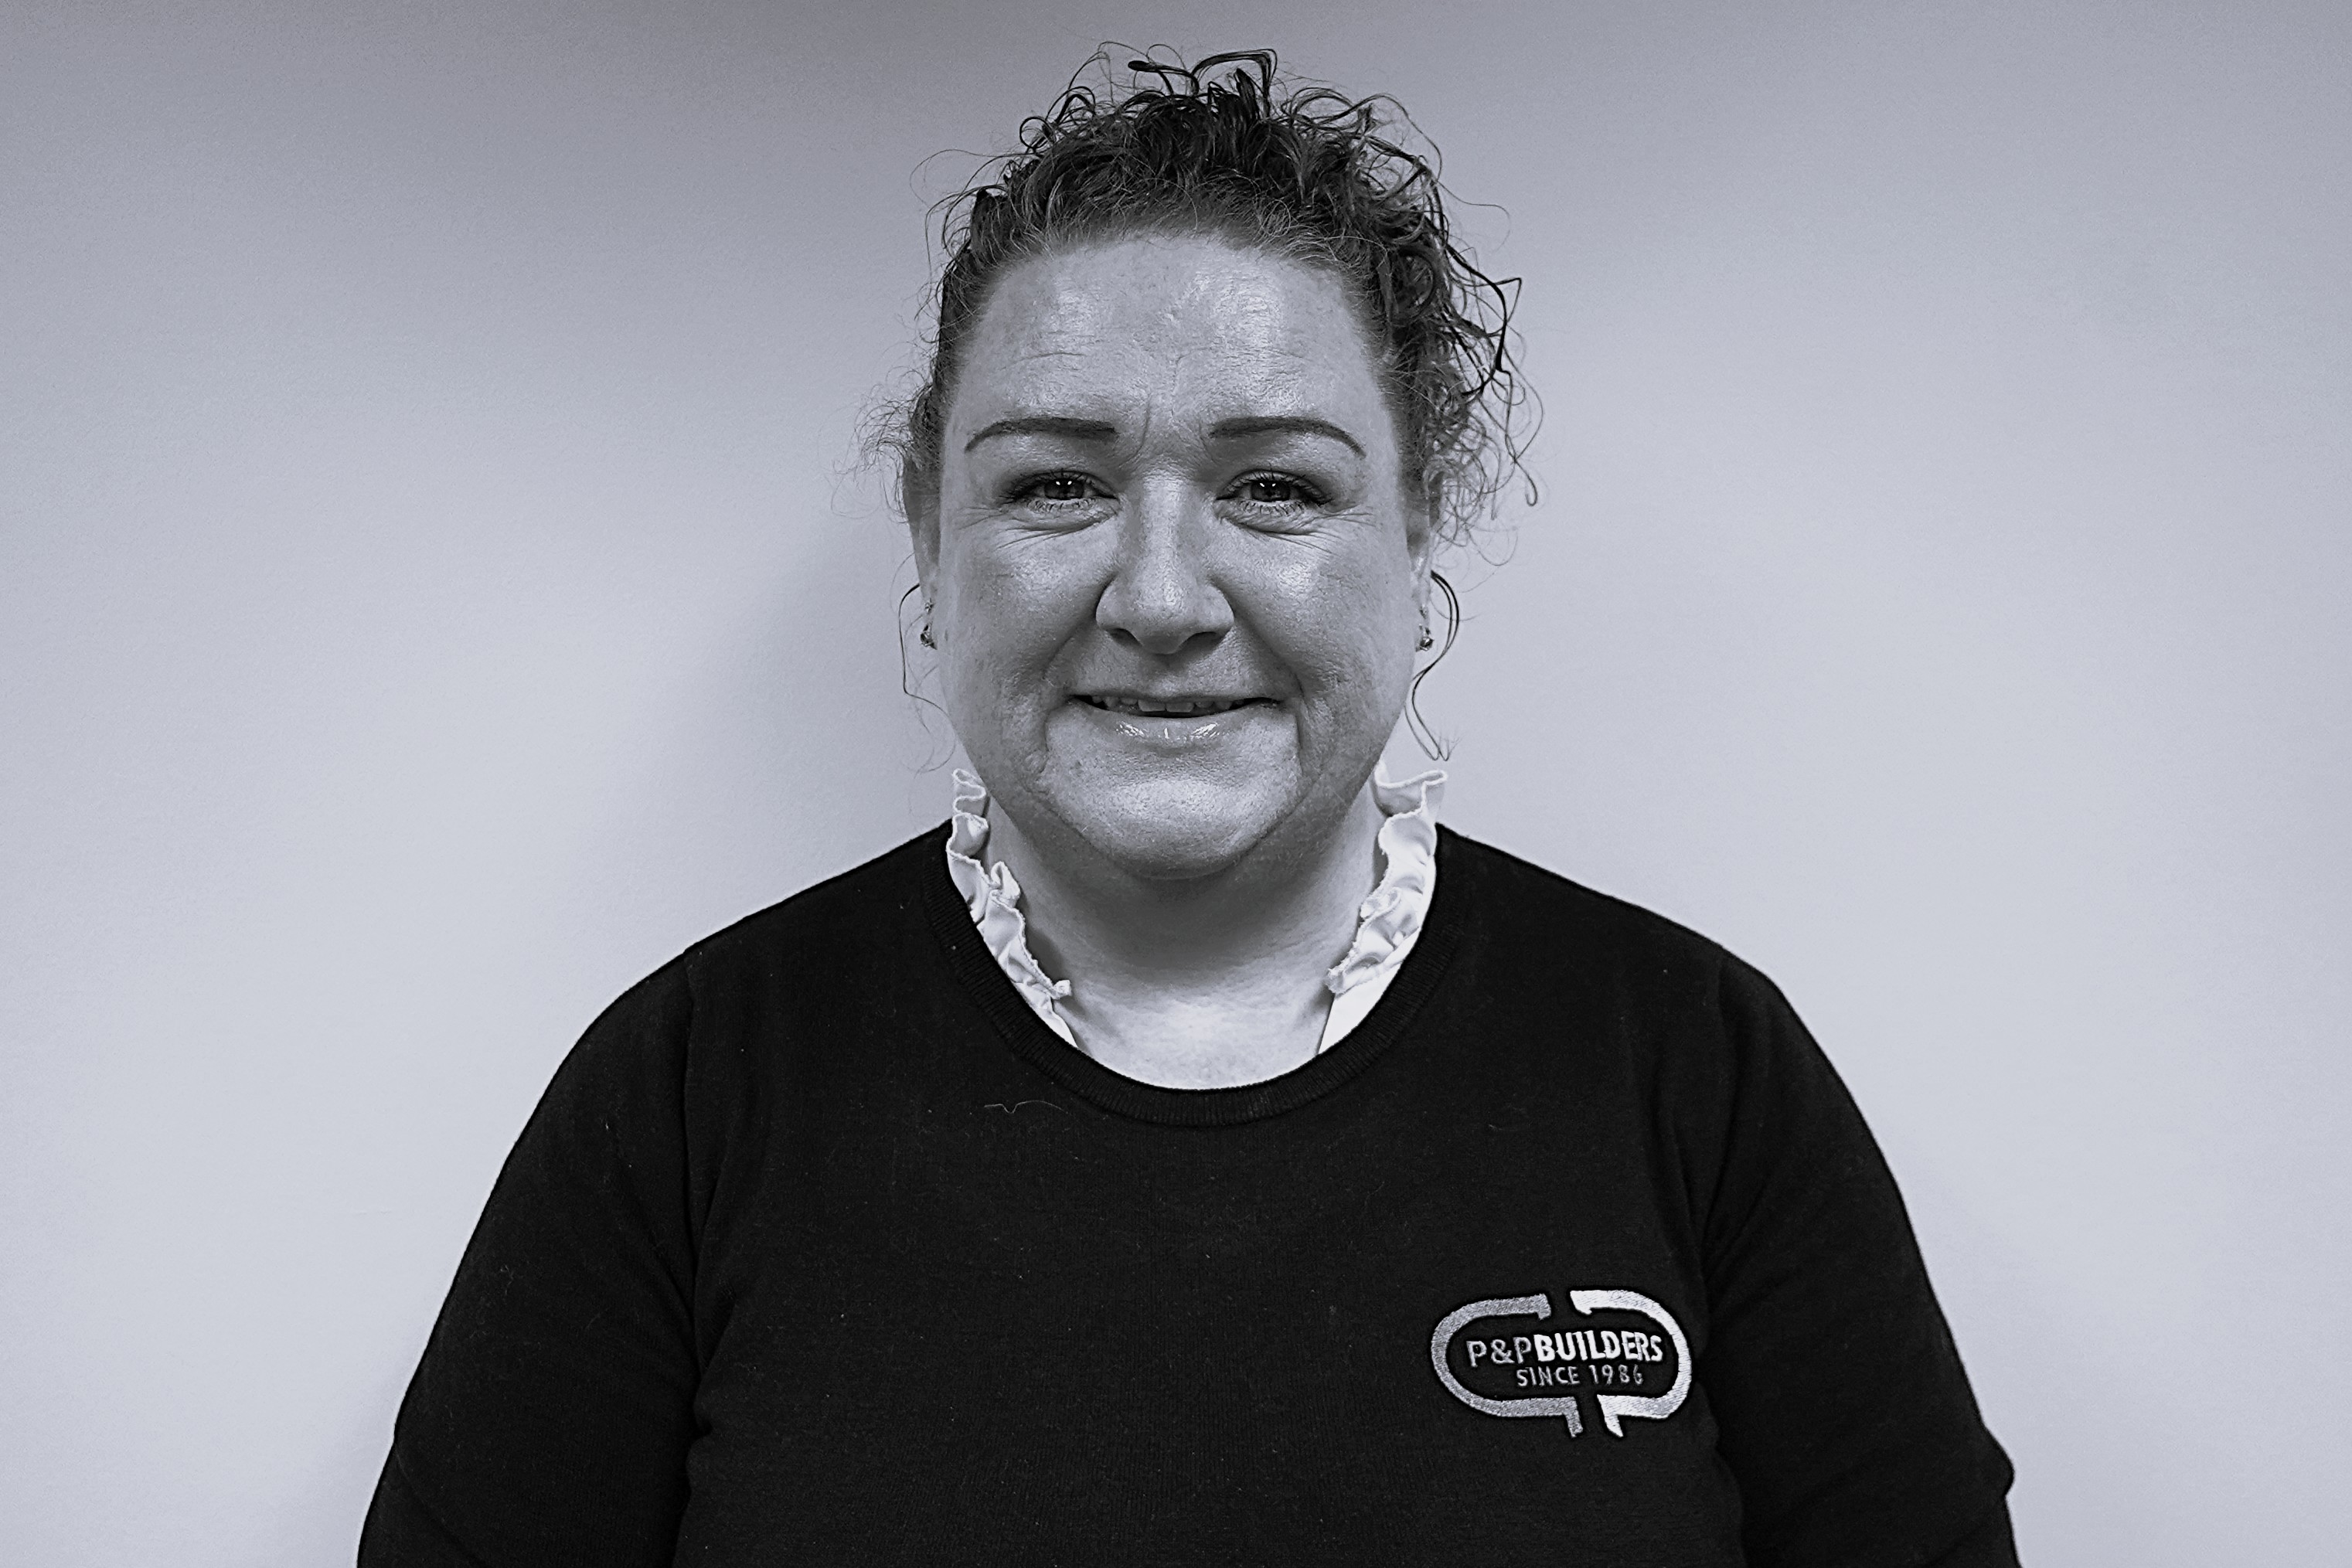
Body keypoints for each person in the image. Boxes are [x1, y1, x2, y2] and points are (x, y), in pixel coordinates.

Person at [360, 51, 2017, 1566]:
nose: (1160, 595)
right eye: (1055, 484)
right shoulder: (685, 1099)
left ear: (1418, 537)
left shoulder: (1698, 1075)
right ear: (931, 544)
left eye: (1275, 485)